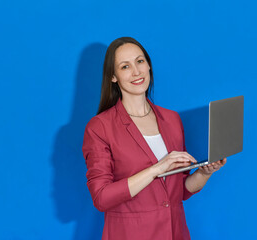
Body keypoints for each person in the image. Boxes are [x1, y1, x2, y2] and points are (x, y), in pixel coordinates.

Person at [82, 37, 226, 240]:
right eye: (125, 66)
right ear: (113, 76)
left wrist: (204, 173)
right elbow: (101, 198)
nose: (136, 72)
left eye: (140, 61)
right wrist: (156, 169)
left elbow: (180, 191)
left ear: (148, 65)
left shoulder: (172, 119)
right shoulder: (100, 127)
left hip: (175, 233)